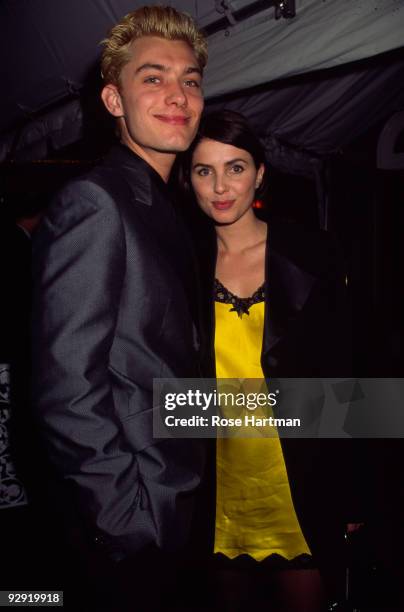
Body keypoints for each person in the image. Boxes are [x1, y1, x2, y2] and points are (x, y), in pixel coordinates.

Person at [31, 6, 207, 610]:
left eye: (190, 80)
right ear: (113, 101)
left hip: (176, 502)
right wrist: (127, 521)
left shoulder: (162, 204)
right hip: (133, 523)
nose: (177, 94)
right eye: (152, 78)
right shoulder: (97, 201)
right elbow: (64, 388)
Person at [179, 109, 358, 611]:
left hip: (298, 473)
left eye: (235, 168)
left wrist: (353, 492)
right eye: (203, 170)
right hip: (215, 482)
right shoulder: (180, 266)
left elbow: (347, 374)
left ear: (259, 173)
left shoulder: (312, 253)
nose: (220, 185)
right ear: (186, 178)